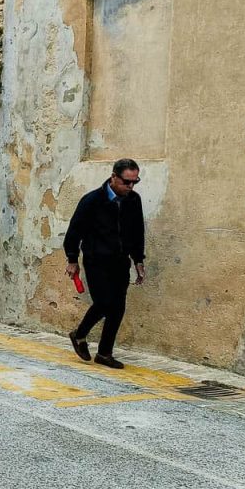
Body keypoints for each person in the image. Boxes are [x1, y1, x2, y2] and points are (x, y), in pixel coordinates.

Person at [65, 158, 147, 369]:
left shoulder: (133, 200)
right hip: (96, 260)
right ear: (113, 177)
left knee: (118, 308)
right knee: (103, 302)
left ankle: (104, 353)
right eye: (126, 182)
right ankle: (79, 335)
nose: (130, 187)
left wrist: (138, 260)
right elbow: (74, 231)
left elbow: (137, 232)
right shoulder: (92, 200)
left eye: (134, 182)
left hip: (120, 261)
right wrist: (72, 259)